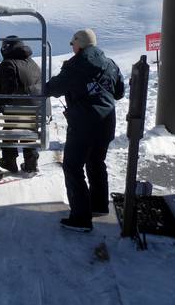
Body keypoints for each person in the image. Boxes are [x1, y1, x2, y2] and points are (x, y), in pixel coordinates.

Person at [45, 29, 124, 232]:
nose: (72, 48)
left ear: (79, 45)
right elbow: (119, 93)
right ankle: (99, 205)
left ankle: (81, 218)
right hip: (106, 123)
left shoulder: (75, 66)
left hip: (83, 125)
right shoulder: (110, 64)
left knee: (72, 167)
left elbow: (53, 89)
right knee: (96, 162)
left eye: (73, 44)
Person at [0, 36, 41, 175]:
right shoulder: (32, 62)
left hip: (17, 109)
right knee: (28, 127)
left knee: (9, 128)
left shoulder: (8, 64)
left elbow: (8, 90)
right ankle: (31, 162)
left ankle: (9, 161)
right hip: (35, 108)